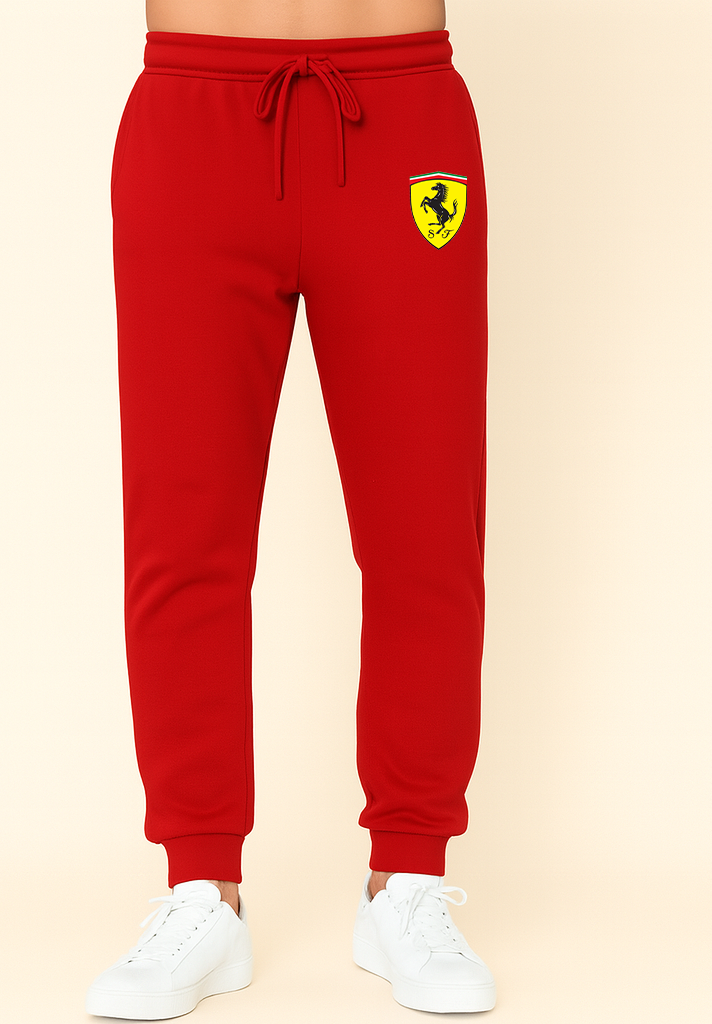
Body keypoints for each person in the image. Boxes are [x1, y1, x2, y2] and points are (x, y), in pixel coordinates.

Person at [86, 0, 495, 1016]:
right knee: (183, 531)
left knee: (426, 530)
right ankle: (200, 889)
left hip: (402, 111)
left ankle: (407, 878)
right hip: (193, 118)